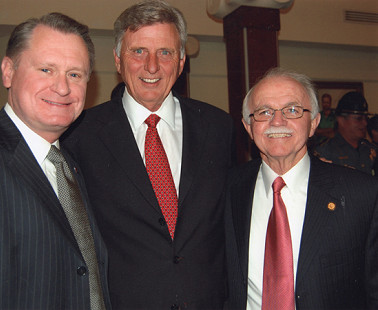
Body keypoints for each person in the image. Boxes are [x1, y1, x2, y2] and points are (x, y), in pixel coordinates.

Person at [62, 1, 235, 309]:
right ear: (118, 60)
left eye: (165, 52)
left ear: (181, 61)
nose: (152, 66)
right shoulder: (80, 136)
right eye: (138, 51)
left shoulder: (219, 127)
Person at [0, 13, 111, 309]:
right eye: (46, 69)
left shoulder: (70, 165)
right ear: (8, 71)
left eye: (75, 74)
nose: (62, 87)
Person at [225, 68, 378, 310]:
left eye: (293, 110)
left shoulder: (363, 195)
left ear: (314, 123)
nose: (277, 121)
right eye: (264, 112)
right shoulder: (226, 190)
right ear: (248, 127)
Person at [314, 91, 376, 175]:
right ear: (341, 120)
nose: (364, 123)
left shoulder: (370, 149)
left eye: (366, 118)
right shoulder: (325, 152)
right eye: (358, 118)